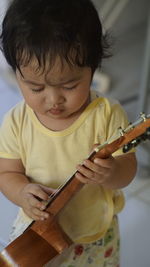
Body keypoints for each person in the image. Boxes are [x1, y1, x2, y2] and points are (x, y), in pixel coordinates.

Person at [0, 0, 137, 266]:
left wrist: (111, 173)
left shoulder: (106, 115)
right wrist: (22, 192)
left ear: (92, 68)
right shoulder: (17, 121)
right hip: (38, 233)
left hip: (94, 235)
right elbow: (6, 173)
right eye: (36, 88)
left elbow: (127, 169)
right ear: (16, 74)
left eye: (70, 85)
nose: (53, 100)